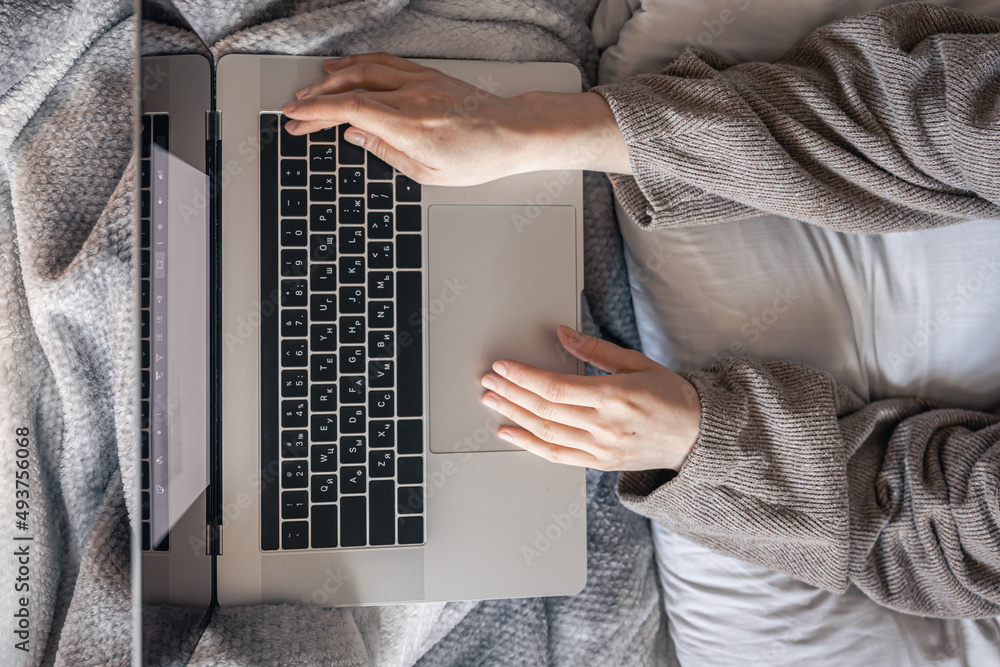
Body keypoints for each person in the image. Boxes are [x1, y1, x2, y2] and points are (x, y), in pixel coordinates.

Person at [281, 2, 1000, 618]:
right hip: (633, 144)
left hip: (667, 429)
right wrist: (533, 128)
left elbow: (935, 528)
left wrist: (698, 441)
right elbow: (929, 116)